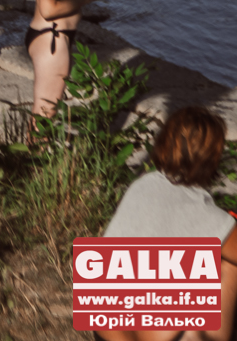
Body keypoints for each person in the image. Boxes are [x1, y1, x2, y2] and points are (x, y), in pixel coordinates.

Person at [95, 107, 237, 341]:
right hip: (154, 335)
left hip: (105, 328)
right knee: (228, 263)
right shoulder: (206, 214)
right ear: (214, 160)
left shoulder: (142, 186)